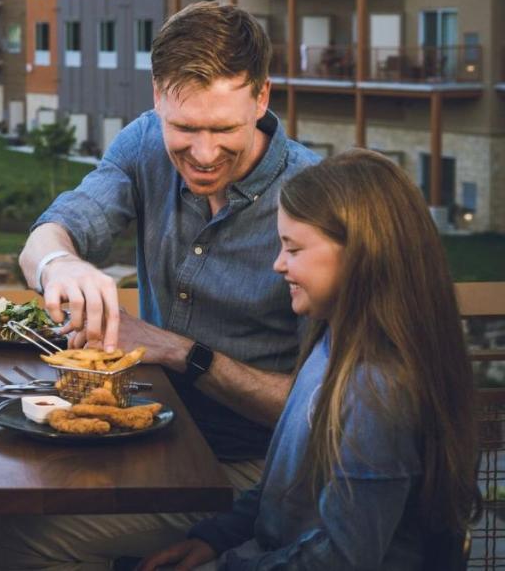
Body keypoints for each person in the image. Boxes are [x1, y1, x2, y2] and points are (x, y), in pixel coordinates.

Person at [0, 2, 320, 569]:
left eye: (224, 129)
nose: (204, 154)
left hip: (254, 467)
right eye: (185, 128)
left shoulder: (314, 196)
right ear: (158, 93)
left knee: (15, 536)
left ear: (261, 99)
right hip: (146, 437)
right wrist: (58, 263)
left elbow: (320, 409)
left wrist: (181, 353)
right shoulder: (142, 144)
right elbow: (50, 233)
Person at [139, 150, 480, 569]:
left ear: (359, 254)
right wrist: (214, 539)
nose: (278, 264)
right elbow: (280, 488)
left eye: (293, 248)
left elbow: (342, 558)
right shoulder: (329, 343)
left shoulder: (378, 391)